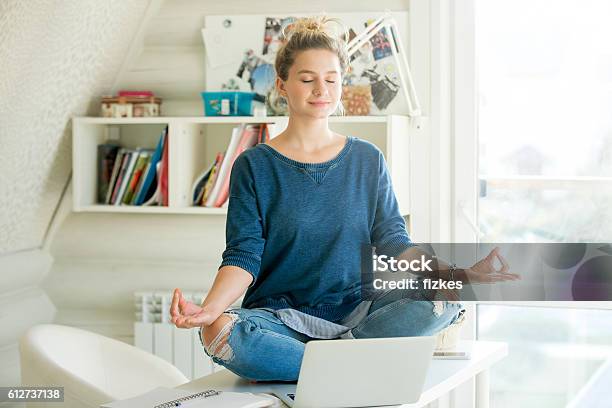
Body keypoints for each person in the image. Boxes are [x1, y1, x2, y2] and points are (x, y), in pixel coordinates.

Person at [170, 15, 517, 382]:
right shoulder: (254, 166)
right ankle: (353, 367)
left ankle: (324, 365)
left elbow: (395, 243)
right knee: (218, 333)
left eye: (331, 80)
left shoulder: (367, 159)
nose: (321, 89)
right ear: (282, 85)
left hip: (359, 314)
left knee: (443, 297)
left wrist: (458, 273)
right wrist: (209, 311)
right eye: (307, 79)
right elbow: (243, 256)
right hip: (281, 320)